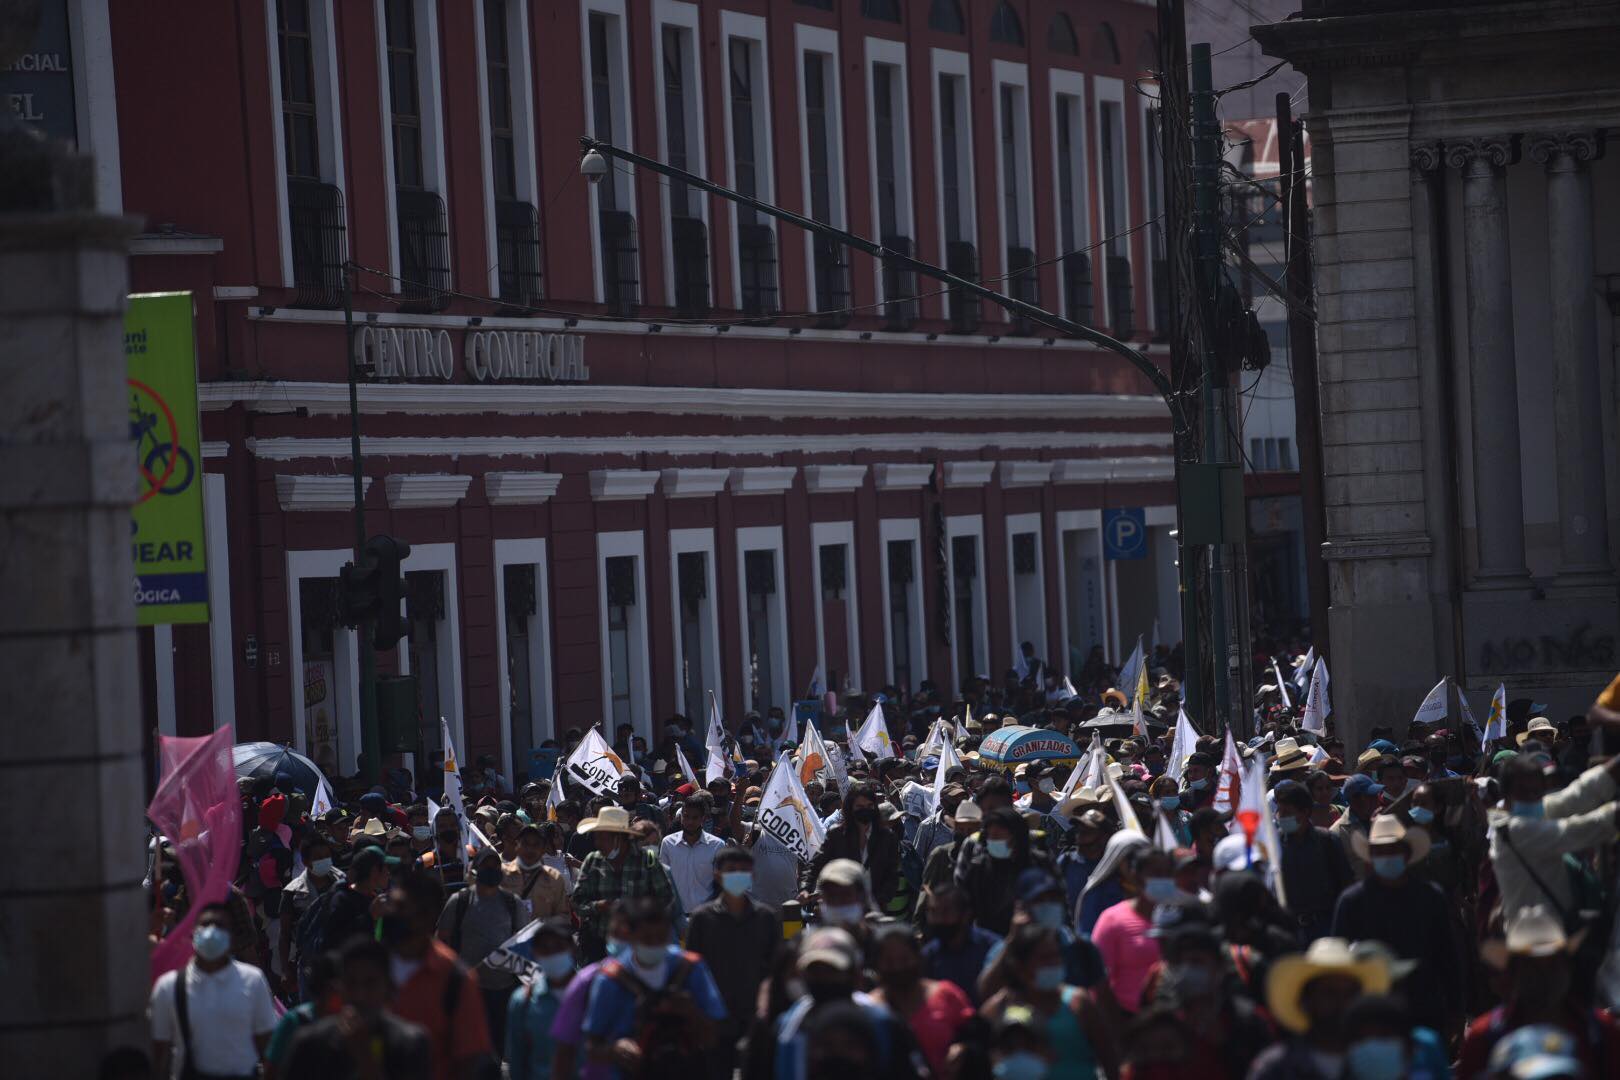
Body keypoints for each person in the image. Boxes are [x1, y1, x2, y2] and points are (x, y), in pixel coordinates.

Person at [1331, 815, 1459, 1034]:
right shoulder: (1352, 901)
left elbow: (1448, 957)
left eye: (1394, 850)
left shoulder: (1431, 897)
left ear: (1407, 854)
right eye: (1381, 851)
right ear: (1370, 857)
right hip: (1372, 1011)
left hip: (1423, 1004)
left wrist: (1456, 1009)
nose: (1388, 857)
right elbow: (1339, 961)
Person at [1459, 905, 1620, 1076]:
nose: (1544, 977)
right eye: (1531, 967)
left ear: (1567, 967)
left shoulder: (1602, 1033)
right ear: (1513, 973)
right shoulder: (1483, 1038)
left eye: (1553, 964)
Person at [581, 897, 728, 1080]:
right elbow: (591, 1046)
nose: (654, 943)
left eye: (661, 937)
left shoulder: (691, 968)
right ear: (630, 935)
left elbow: (714, 1037)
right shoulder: (610, 979)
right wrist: (615, 1050)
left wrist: (691, 1012)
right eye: (647, 938)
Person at [755, 926, 927, 1080]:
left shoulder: (885, 1023)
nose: (823, 979)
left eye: (832, 971)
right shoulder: (787, 1028)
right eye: (815, 971)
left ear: (854, 975)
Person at [379, 870, 494, 1080]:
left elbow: (470, 1057)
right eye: (391, 906)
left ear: (428, 916)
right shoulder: (369, 966)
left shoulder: (456, 979)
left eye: (401, 908)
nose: (391, 914)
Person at [149, 903, 279, 1080]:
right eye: (205, 925)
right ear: (193, 932)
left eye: (220, 926)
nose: (212, 931)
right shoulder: (169, 986)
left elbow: (266, 1043)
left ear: (232, 936)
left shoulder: (253, 980)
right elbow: (159, 1051)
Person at [1489, 750, 1620, 924]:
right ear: (1505, 793)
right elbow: (1578, 830)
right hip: (1533, 939)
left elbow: (1575, 797)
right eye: (1523, 791)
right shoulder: (1515, 829)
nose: (1531, 797)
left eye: (1537, 791)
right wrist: (1614, 813)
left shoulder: (1530, 812)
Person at [684, 846, 781, 1080]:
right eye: (731, 870)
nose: (738, 875)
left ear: (753, 875)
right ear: (717, 874)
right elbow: (692, 968)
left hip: (755, 1017)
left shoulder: (766, 918)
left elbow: (776, 968)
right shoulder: (702, 918)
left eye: (743, 870)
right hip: (715, 1018)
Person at [980, 923, 1119, 1080]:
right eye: (1044, 958)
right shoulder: (997, 1009)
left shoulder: (1079, 1003)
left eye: (1056, 955)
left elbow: (1109, 1059)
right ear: (1020, 966)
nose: (1053, 963)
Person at [281, 936, 431, 1079]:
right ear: (339, 987)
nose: (360, 995)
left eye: (370, 983)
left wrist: (365, 1058)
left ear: (389, 987)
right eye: (351, 983)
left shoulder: (410, 1044)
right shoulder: (310, 1045)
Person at [1246, 937, 1392, 1080]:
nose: (1342, 1003)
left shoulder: (1381, 1066)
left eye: (1350, 994)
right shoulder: (1276, 1069)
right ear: (1306, 1001)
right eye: (1330, 993)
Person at [438, 845, 526, 1053]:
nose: (491, 870)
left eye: (496, 866)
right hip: (469, 989)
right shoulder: (459, 901)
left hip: (503, 988)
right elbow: (442, 941)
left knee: (498, 1046)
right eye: (486, 866)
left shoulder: (512, 903)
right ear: (475, 870)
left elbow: (524, 945)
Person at [866, 921, 975, 1079]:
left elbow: (975, 1036)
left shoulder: (946, 994)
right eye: (889, 961)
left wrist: (963, 1049)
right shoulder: (869, 1008)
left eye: (904, 959)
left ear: (918, 957)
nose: (897, 968)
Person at [570, 805, 676, 961]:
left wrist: (639, 910)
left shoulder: (647, 860)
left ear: (618, 837)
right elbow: (577, 902)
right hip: (599, 944)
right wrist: (598, 906)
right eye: (596, 837)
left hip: (640, 944)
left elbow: (666, 897)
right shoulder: (593, 861)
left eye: (602, 837)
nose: (597, 843)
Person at [1091, 845, 1174, 1014]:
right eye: (1156, 873)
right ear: (1136, 877)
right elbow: (1098, 982)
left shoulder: (1181, 916)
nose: (1164, 879)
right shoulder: (1112, 920)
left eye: (1168, 873)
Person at [1274, 779, 1354, 943]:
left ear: (1305, 812)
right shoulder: (1275, 845)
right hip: (1291, 931)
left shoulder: (1327, 840)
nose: (1282, 817)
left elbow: (1345, 883)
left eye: (1287, 812)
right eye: (1280, 812)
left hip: (1326, 927)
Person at [805, 782, 901, 910]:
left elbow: (892, 876)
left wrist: (876, 901)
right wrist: (805, 889)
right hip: (840, 908)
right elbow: (815, 865)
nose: (865, 810)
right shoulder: (836, 834)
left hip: (875, 909)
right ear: (850, 808)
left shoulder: (887, 837)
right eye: (860, 806)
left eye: (869, 806)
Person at [504, 918, 578, 1080]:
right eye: (545, 949)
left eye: (559, 947)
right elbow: (517, 1060)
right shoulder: (522, 1000)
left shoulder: (592, 993)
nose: (552, 954)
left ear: (572, 949)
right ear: (535, 954)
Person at [955, 806, 1044, 935]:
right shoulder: (978, 868)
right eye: (990, 837)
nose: (992, 841)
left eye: (997, 836)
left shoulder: (1037, 864)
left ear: (1016, 836)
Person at [919, 883, 1002, 1004]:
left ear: (965, 914)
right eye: (933, 912)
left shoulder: (992, 948)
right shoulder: (929, 955)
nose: (938, 919)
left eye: (946, 912)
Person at [660, 795, 727, 916]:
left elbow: (722, 883)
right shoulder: (667, 843)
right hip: (675, 915)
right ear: (681, 817)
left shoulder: (718, 845)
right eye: (686, 817)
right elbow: (663, 879)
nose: (690, 822)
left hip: (706, 916)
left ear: (704, 819)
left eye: (695, 818)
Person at [505, 824, 572, 922]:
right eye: (525, 843)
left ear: (543, 848)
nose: (530, 849)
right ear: (517, 845)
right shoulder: (503, 874)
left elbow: (563, 916)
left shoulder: (555, 878)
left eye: (536, 844)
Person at [1330, 775, 1383, 877]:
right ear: (1358, 800)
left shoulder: (1383, 819)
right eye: (1372, 796)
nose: (1377, 799)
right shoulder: (1338, 832)